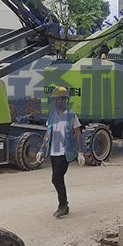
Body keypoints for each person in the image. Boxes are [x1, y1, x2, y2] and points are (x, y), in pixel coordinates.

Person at [37, 87, 84, 218]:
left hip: (65, 152)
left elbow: (78, 134)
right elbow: (48, 132)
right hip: (53, 152)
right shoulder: (52, 114)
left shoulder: (71, 115)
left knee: (56, 178)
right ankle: (64, 205)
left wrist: (80, 152)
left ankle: (63, 205)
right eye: (53, 100)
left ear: (64, 100)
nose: (55, 102)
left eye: (57, 99)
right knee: (58, 178)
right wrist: (42, 149)